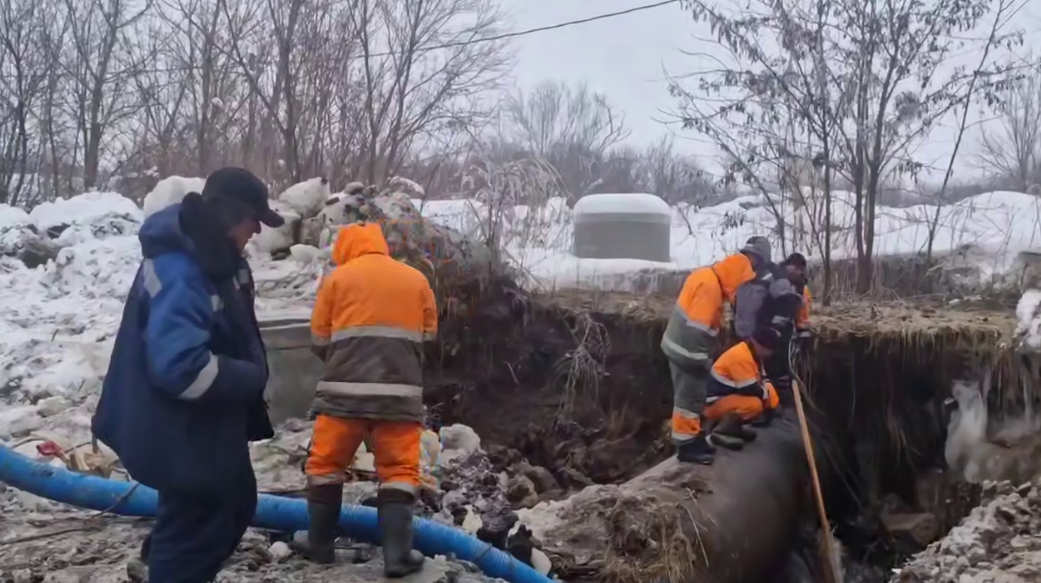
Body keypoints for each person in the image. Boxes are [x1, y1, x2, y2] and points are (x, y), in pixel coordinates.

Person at [91, 167, 283, 583]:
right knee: (200, 517)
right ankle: (170, 568)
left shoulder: (214, 257)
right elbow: (180, 367)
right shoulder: (181, 269)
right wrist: (247, 377)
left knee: (233, 503)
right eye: (253, 221)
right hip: (176, 426)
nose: (256, 231)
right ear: (231, 215)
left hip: (204, 422)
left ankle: (159, 562)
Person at [303, 222, 437, 577]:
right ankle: (397, 557)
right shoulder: (416, 280)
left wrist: (348, 362)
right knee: (399, 472)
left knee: (325, 467)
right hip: (398, 398)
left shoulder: (336, 280)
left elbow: (318, 341)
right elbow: (428, 336)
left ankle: (320, 546)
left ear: (345, 249)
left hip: (342, 398)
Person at [660, 236, 770, 465]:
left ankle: (695, 437)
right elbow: (696, 329)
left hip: (684, 349)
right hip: (687, 352)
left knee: (694, 398)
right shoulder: (710, 289)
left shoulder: (708, 278)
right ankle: (686, 447)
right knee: (687, 401)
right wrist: (701, 361)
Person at [703, 327, 782, 449]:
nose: (771, 353)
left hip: (727, 397)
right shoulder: (741, 357)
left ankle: (734, 428)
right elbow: (750, 389)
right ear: (758, 344)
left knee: (765, 392)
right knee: (754, 405)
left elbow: (762, 380)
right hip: (713, 404)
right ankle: (720, 431)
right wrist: (769, 403)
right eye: (770, 349)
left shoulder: (753, 353)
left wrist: (771, 397)